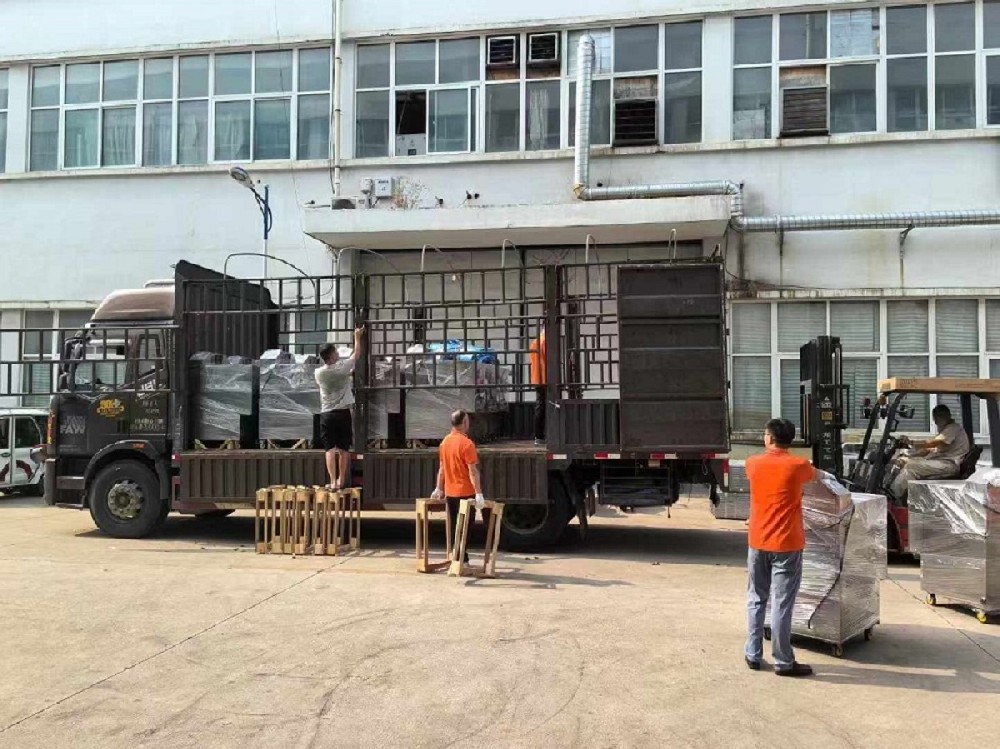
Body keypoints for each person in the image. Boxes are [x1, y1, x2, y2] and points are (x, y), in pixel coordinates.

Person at [744, 418, 817, 678]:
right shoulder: (799, 466)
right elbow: (817, 477)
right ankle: (783, 661)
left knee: (756, 598)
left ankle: (753, 654)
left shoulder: (752, 463)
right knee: (781, 604)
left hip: (758, 541)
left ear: (768, 438)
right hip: (787, 544)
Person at [431, 410, 487, 560]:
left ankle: (459, 557)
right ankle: (462, 558)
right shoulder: (467, 444)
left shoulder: (444, 443)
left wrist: (439, 487)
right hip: (466, 492)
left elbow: (442, 469)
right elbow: (473, 472)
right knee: (466, 528)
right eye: (467, 421)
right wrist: (479, 493)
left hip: (450, 493)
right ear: (464, 423)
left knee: (456, 526)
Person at [315, 326, 364, 489]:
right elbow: (356, 355)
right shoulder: (342, 368)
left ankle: (332, 481)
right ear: (330, 357)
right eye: (335, 352)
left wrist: (347, 374)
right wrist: (357, 337)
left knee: (329, 449)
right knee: (343, 449)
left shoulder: (319, 373)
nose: (337, 354)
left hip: (326, 413)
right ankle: (341, 481)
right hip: (343, 413)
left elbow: (340, 374)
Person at [889, 404, 971, 500]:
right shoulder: (946, 430)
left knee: (911, 466)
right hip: (940, 462)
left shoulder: (953, 428)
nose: (935, 422)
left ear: (941, 417)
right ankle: (902, 496)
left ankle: (894, 496)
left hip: (948, 465)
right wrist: (910, 454)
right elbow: (930, 449)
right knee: (902, 461)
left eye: (936, 418)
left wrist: (911, 442)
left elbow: (934, 443)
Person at [529, 330, 546, 446]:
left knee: (540, 405)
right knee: (543, 407)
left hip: (537, 377)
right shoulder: (545, 342)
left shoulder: (535, 342)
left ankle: (539, 436)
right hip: (545, 377)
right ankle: (539, 436)